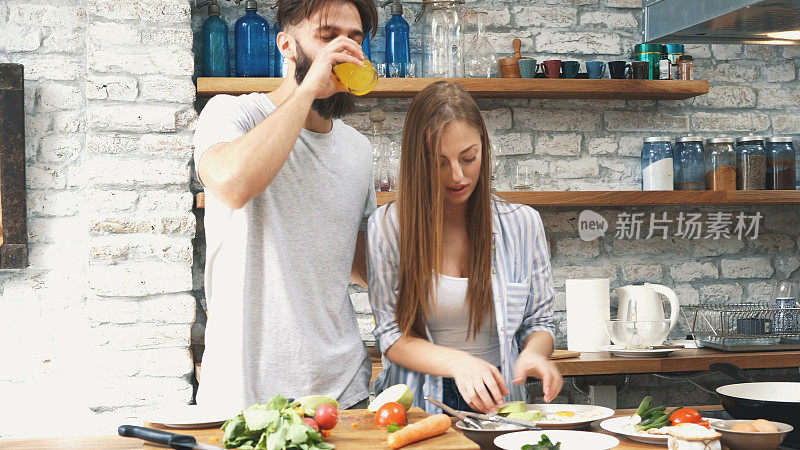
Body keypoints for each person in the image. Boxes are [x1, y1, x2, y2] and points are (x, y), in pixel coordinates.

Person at [192, 0, 378, 410]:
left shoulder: (358, 149)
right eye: (328, 37)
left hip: (343, 391)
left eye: (355, 38)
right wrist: (308, 86)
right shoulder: (231, 113)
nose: (343, 49)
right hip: (245, 392)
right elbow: (232, 185)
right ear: (287, 46)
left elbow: (362, 263)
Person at [367, 81, 563, 415]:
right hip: (417, 403)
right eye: (439, 162)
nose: (457, 175)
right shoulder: (388, 225)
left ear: (483, 150)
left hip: (500, 400)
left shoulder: (523, 223)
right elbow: (391, 335)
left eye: (468, 157)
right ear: (417, 161)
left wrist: (532, 354)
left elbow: (540, 322)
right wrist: (459, 364)